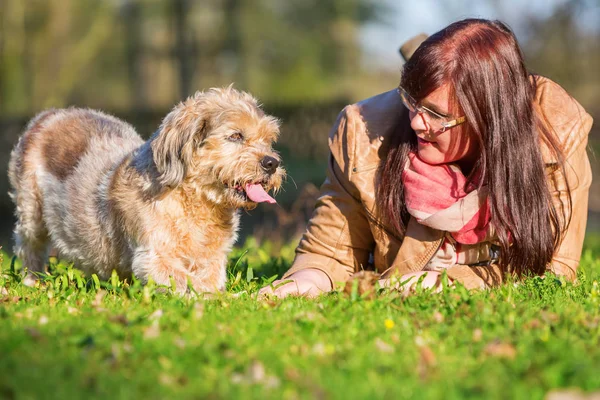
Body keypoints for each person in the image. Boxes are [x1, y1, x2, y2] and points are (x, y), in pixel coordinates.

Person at [259, 18, 593, 298]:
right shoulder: (363, 134)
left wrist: (444, 284)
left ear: (489, 117)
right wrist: (303, 283)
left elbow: (553, 274)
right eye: (412, 102)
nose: (417, 121)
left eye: (436, 114)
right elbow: (329, 252)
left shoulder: (555, 137)